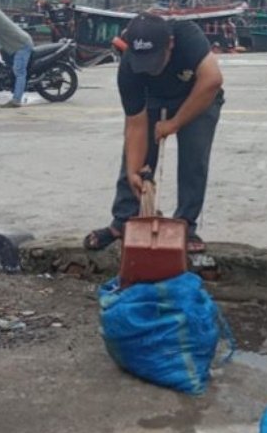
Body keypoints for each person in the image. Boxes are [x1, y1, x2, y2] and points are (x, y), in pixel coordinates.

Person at [84, 13, 225, 254]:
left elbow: (212, 80)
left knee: (194, 159)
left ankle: (185, 224)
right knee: (135, 162)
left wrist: (174, 123)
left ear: (170, 43)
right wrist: (133, 170)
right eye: (144, 63)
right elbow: (135, 125)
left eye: (155, 60)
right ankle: (123, 220)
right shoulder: (128, 68)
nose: (150, 69)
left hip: (198, 94)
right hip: (154, 99)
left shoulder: (187, 35)